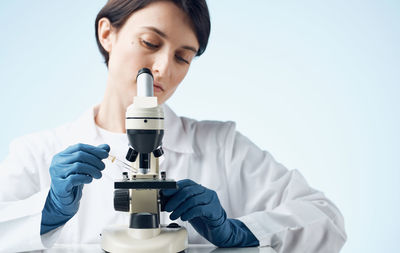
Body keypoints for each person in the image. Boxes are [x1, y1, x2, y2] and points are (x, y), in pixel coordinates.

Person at [0, 0, 347, 252]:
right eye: (150, 43)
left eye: (183, 56)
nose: (164, 67)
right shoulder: (38, 152)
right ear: (107, 34)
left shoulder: (221, 147)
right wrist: (46, 215)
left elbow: (325, 221)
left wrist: (238, 231)